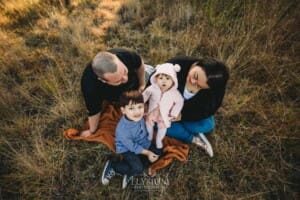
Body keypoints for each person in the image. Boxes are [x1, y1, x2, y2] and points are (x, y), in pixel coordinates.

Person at [151, 56, 229, 157]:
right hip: (164, 108)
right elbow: (154, 81)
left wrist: (182, 115)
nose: (192, 81)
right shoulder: (177, 64)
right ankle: (192, 138)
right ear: (196, 64)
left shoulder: (216, 90)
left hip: (187, 112)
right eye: (195, 76)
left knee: (208, 125)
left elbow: (208, 109)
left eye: (199, 85)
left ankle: (186, 127)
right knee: (159, 123)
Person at [80, 48, 146, 137]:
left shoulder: (126, 54)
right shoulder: (90, 87)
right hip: (116, 97)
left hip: (135, 82)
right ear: (102, 80)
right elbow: (94, 111)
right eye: (117, 81)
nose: (125, 79)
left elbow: (139, 64)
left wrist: (142, 84)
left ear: (117, 58)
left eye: (124, 71)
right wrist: (92, 131)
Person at [101, 90, 159, 189]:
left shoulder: (139, 116)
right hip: (128, 149)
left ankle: (135, 166)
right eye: (131, 108)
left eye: (140, 107)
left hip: (142, 141)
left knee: (158, 150)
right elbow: (133, 147)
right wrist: (148, 153)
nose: (137, 112)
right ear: (123, 110)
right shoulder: (123, 130)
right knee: (138, 168)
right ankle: (114, 166)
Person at [143, 63, 184, 154]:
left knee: (162, 129)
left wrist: (174, 113)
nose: (164, 81)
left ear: (173, 81)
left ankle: (158, 141)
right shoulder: (152, 88)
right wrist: (142, 103)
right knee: (148, 123)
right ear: (156, 79)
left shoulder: (174, 93)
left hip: (164, 114)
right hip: (153, 112)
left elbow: (180, 102)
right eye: (161, 78)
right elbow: (145, 95)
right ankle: (149, 137)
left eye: (167, 78)